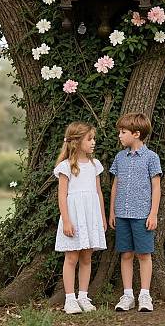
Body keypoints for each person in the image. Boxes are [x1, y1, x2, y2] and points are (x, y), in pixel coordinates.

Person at [109, 112, 162, 313]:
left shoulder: (151, 157)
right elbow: (116, 184)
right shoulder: (119, 157)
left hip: (142, 215)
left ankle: (145, 295)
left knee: (144, 254)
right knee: (126, 254)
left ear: (137, 134)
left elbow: (156, 187)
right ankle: (128, 295)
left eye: (123, 132)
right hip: (122, 214)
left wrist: (153, 214)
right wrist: (112, 211)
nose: (120, 136)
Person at [53, 122, 107, 314]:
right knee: (71, 257)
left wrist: (102, 217)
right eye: (90, 139)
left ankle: (83, 296)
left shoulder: (95, 165)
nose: (93, 142)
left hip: (91, 217)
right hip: (74, 218)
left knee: (86, 257)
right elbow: (62, 195)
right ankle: (70, 299)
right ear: (76, 142)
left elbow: (99, 193)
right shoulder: (66, 167)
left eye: (94, 139)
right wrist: (66, 220)